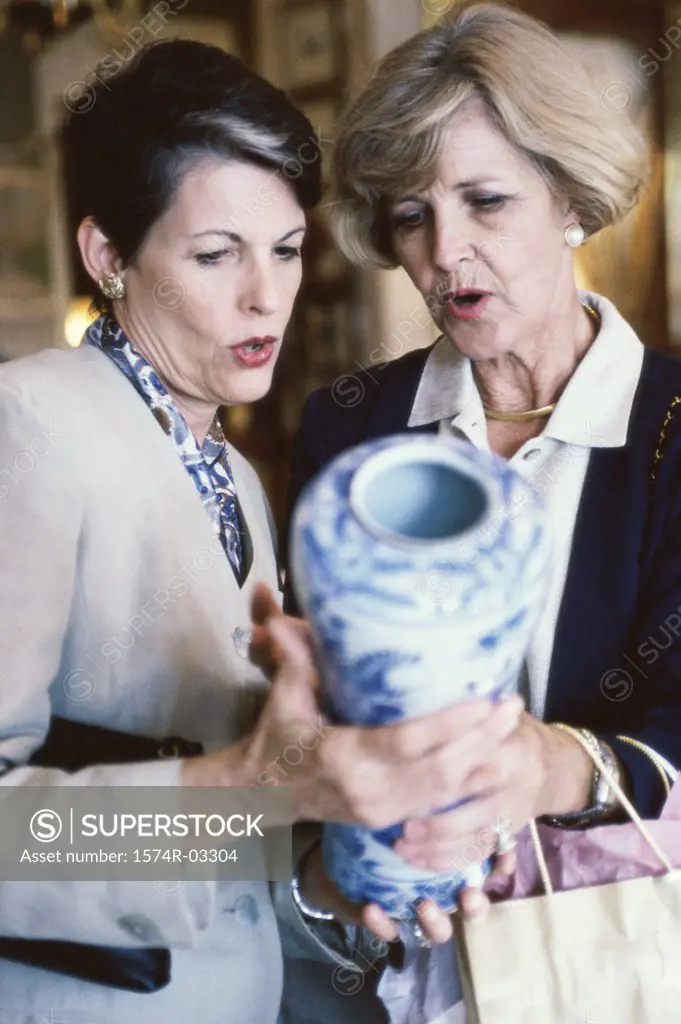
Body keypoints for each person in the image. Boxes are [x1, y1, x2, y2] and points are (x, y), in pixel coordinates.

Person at [0, 38, 523, 1024]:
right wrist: (246, 786)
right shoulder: (29, 427)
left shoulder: (238, 477)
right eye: (215, 255)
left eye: (285, 250)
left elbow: (252, 826)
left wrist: (363, 849)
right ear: (106, 254)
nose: (265, 297)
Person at [286, 2, 681, 1019]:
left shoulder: (673, 426)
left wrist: (549, 765)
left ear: (573, 204)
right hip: (404, 978)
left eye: (486, 200)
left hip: (622, 972)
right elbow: (309, 716)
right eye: (411, 215)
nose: (445, 251)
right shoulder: (349, 430)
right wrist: (337, 855)